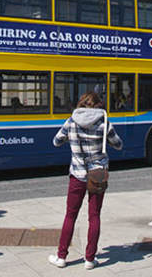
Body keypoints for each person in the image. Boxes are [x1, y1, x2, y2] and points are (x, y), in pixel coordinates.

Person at [48, 92, 122, 270]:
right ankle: (89, 259)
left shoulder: (71, 121)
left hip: (77, 174)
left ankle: (61, 257)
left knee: (70, 215)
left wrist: (71, 138)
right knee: (94, 216)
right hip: (97, 174)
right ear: (97, 105)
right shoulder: (104, 123)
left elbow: (56, 141)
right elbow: (118, 144)